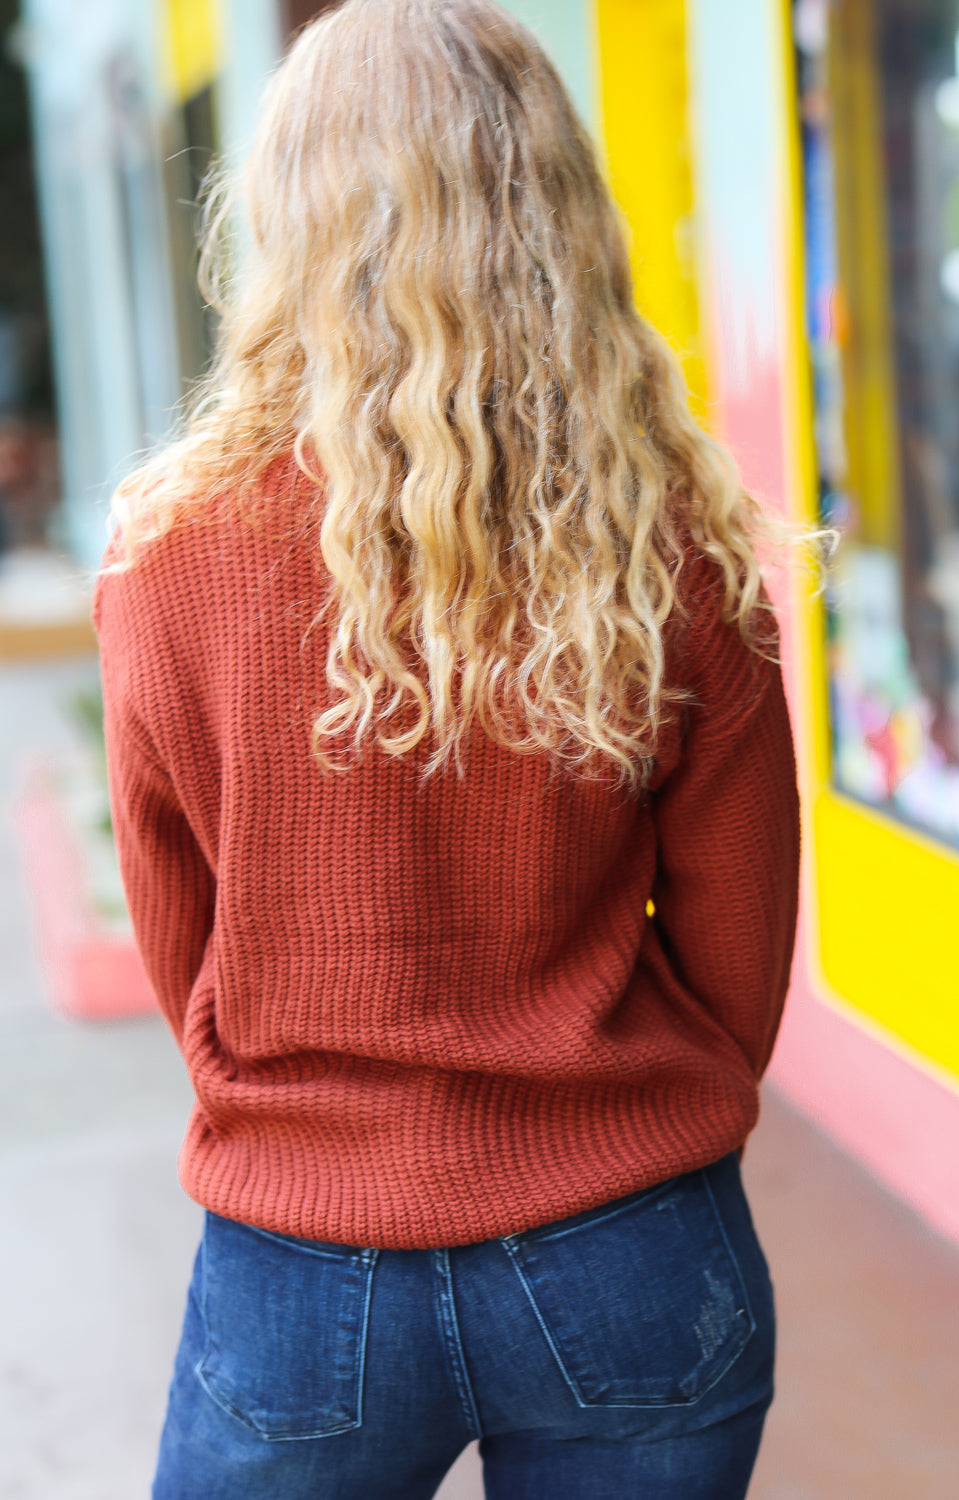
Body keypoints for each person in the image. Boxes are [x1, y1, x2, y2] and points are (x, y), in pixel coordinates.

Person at [93, 2, 800, 1496]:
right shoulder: (668, 542)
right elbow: (742, 959)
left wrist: (315, 1115)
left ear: (286, 214)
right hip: (635, 1239)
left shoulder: (166, 555)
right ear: (555, 208)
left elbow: (180, 935)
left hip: (301, 1267)